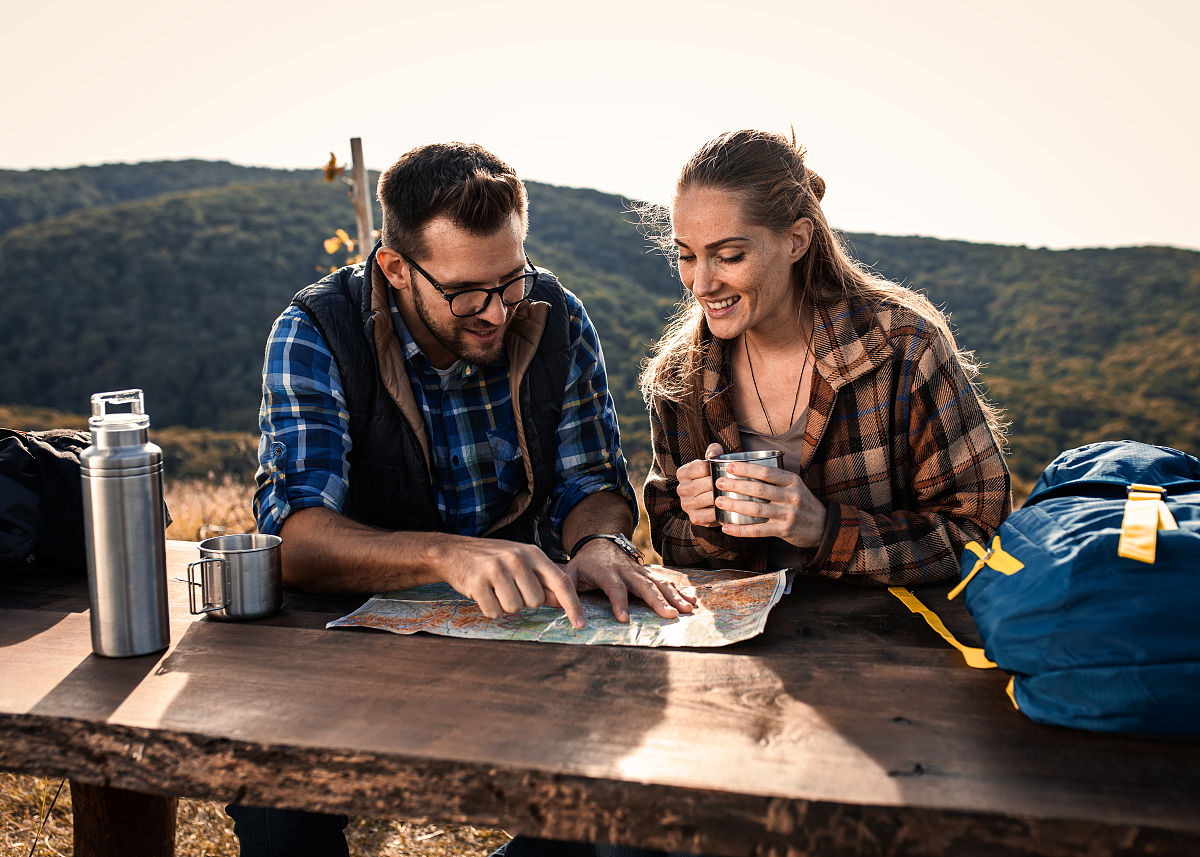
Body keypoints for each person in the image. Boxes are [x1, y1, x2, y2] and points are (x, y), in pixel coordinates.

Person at [230, 141, 695, 857]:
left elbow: (593, 479)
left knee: (631, 809)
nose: (497, 312)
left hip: (526, 630)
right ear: (393, 267)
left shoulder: (554, 316)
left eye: (511, 280)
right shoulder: (317, 330)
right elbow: (295, 535)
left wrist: (598, 541)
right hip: (356, 643)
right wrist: (446, 555)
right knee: (274, 792)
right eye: (466, 293)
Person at [640, 129, 1012, 582]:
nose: (701, 284)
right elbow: (668, 536)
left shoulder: (904, 349)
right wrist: (705, 528)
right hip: (742, 646)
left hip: (885, 638)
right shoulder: (680, 377)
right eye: (687, 256)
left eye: (730, 256)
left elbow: (980, 532)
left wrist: (826, 530)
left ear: (796, 241)